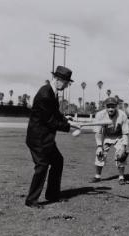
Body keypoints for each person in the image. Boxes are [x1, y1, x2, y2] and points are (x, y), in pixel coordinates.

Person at [25, 66, 80, 209]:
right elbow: (50, 120)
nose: (67, 85)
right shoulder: (45, 94)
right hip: (38, 139)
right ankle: (31, 200)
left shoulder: (52, 93)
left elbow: (55, 113)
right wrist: (69, 127)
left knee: (57, 161)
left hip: (46, 139)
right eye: (66, 82)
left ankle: (52, 195)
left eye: (68, 82)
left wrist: (66, 119)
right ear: (57, 79)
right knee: (42, 166)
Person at [90, 97, 129, 185]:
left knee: (121, 155)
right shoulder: (100, 115)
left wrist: (124, 146)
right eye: (108, 107)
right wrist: (99, 146)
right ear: (105, 107)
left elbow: (125, 133)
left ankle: (121, 177)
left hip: (119, 136)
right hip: (105, 136)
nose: (111, 109)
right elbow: (98, 132)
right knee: (100, 154)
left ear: (116, 106)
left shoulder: (122, 115)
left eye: (113, 106)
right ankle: (97, 176)